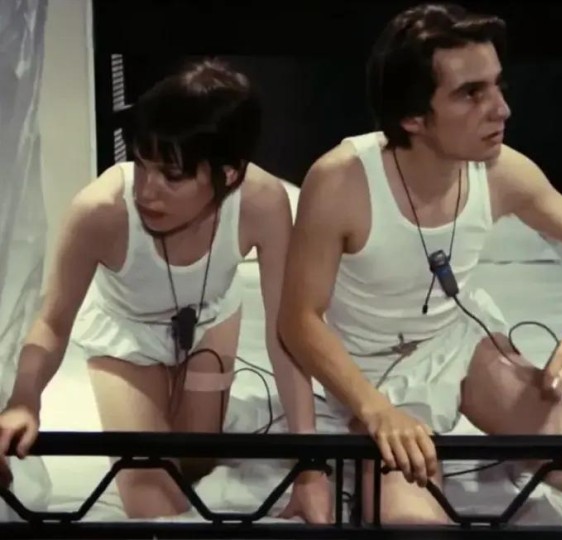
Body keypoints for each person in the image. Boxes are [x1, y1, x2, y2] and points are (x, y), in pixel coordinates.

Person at [278, 3, 562, 525]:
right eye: (471, 93)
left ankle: (489, 411)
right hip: (374, 373)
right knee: (414, 524)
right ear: (413, 117)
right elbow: (298, 319)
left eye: (498, 86)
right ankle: (380, 456)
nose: (502, 109)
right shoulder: (341, 180)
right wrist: (375, 410)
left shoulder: (500, 170)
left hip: (458, 342)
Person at [0, 58, 330, 521]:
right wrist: (24, 399)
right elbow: (52, 323)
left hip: (211, 318)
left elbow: (285, 333)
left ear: (229, 174)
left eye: (172, 176)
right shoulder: (100, 210)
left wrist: (309, 465)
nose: (147, 191)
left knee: (196, 459)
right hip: (126, 333)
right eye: (141, 164)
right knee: (152, 500)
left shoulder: (263, 201)